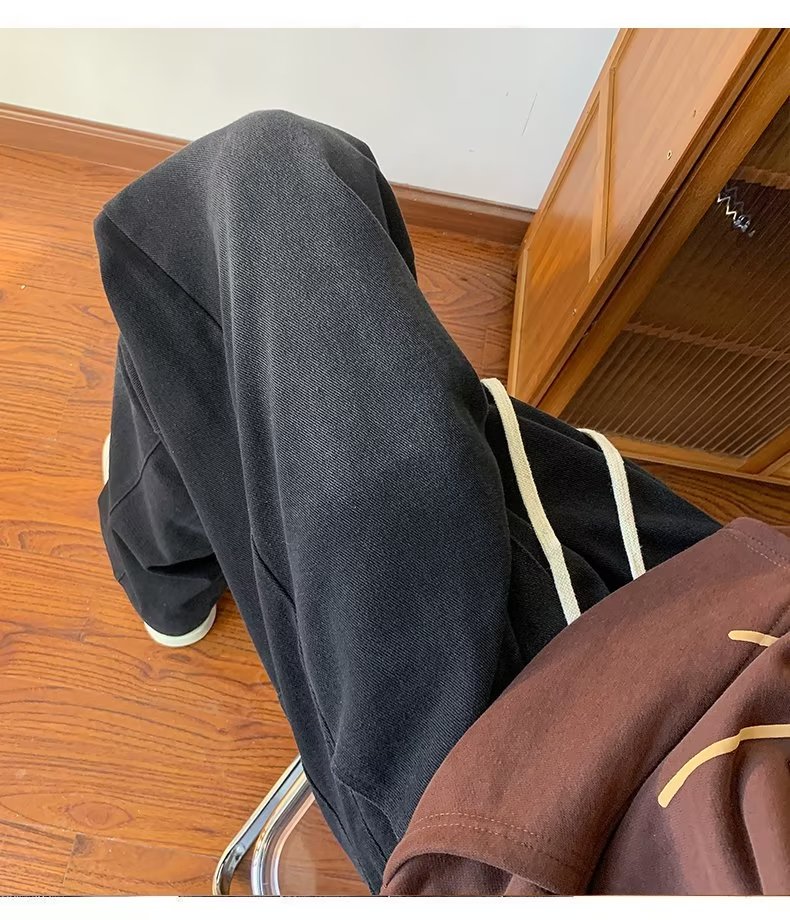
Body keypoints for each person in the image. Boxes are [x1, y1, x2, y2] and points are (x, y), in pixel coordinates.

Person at [96, 110, 719, 891]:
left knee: (265, 177)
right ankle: (162, 549)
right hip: (719, 622)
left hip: (529, 813)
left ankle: (159, 560)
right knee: (384, 378)